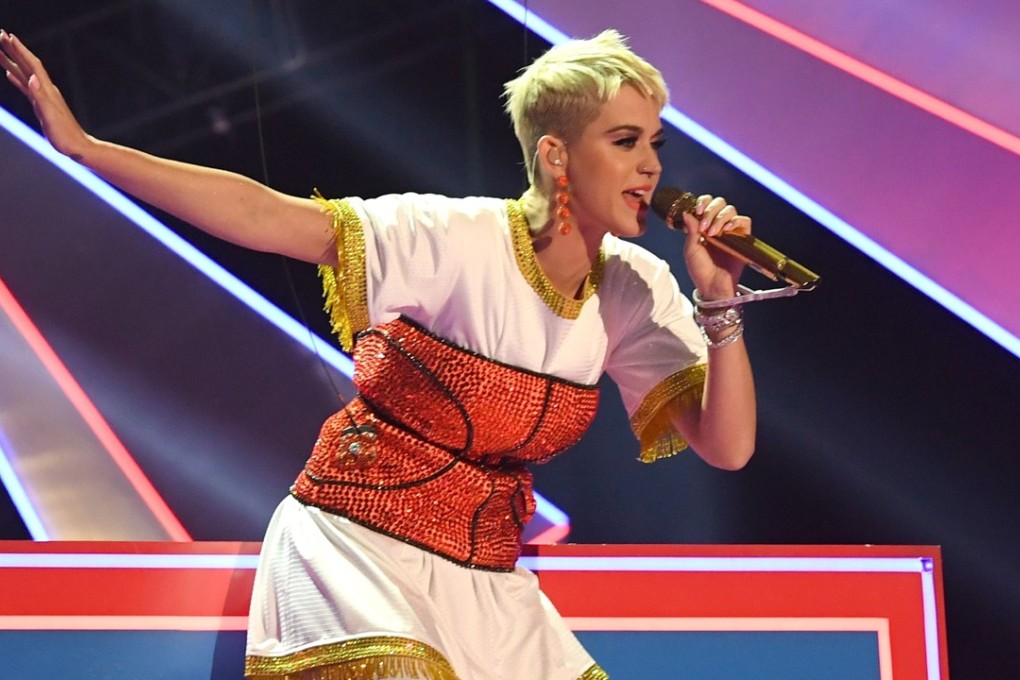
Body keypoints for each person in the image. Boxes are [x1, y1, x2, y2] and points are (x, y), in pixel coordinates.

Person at [2, 26, 756, 680]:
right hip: (356, 548)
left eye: (654, 143)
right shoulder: (456, 237)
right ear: (557, 156)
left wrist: (719, 299)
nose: (652, 166)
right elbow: (268, 216)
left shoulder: (635, 288)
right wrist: (86, 149)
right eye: (624, 142)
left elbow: (726, 447)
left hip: (485, 586)